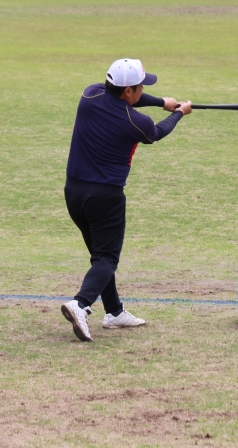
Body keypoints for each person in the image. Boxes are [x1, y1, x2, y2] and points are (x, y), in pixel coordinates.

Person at [61, 58, 191, 343]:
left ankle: (114, 312)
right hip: (105, 198)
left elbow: (126, 98)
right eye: (141, 86)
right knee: (107, 259)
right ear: (129, 90)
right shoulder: (137, 122)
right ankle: (80, 304)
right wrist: (179, 113)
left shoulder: (90, 95)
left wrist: (162, 102)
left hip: (74, 193)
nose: (143, 89)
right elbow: (156, 133)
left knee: (99, 257)